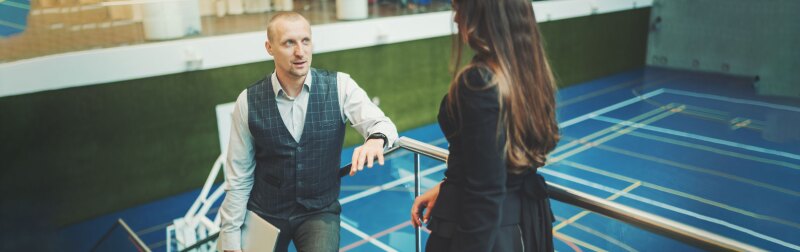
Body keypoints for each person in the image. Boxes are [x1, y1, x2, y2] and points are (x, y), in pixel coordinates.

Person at [218, 12, 398, 252]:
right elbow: (238, 177)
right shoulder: (247, 101)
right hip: (266, 212)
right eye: (289, 43)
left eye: (305, 41)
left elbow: (383, 124)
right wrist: (229, 236)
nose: (300, 52)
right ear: (269, 48)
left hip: (318, 212)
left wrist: (376, 140)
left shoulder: (340, 86)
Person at [410, 0, 560, 251]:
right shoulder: (529, 73)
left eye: (459, 10)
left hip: (482, 231)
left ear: (481, 14)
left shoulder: (479, 81)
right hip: (522, 224)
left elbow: (486, 194)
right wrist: (448, 188)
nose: (456, 19)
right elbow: (494, 165)